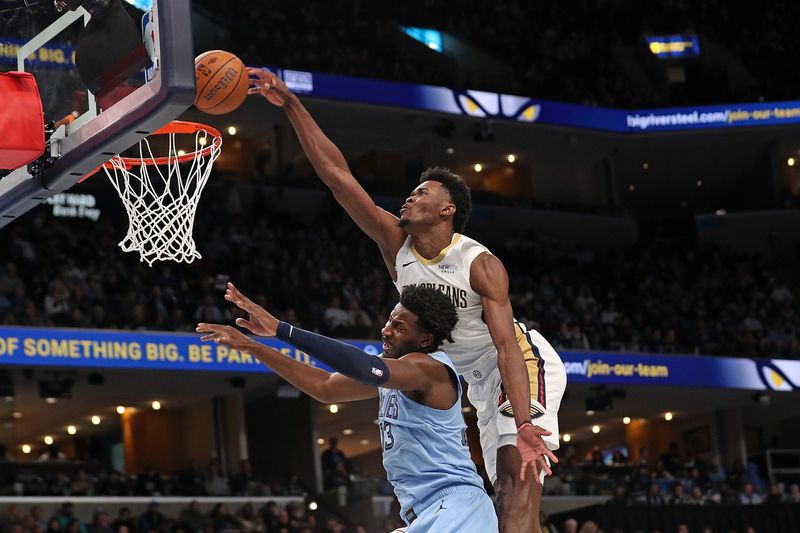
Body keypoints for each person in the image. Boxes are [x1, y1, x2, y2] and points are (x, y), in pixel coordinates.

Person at [249, 66, 566, 533]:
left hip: (514, 365)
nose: (408, 199)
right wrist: (292, 104)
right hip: (461, 376)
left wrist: (522, 422)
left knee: (515, 489)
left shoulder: (479, 263)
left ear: (447, 209)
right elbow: (338, 178)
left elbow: (504, 348)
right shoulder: (395, 244)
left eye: (422, 193)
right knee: (513, 514)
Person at [197, 283, 498, 532]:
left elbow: (364, 367)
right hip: (428, 513)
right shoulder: (399, 376)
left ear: (425, 338)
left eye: (398, 326)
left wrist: (282, 330)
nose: (386, 330)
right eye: (389, 320)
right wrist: (252, 346)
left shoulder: (428, 369)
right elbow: (326, 387)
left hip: (458, 509)